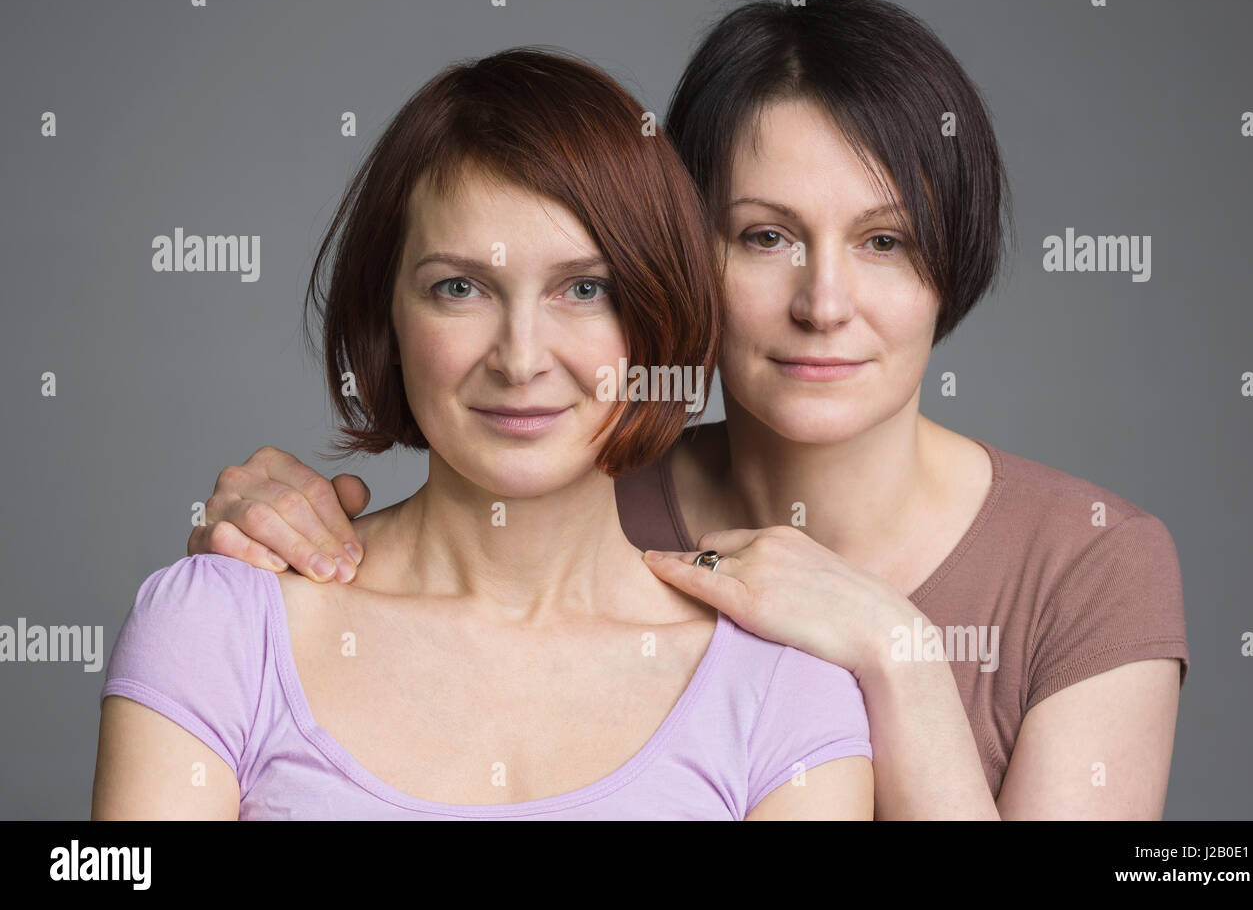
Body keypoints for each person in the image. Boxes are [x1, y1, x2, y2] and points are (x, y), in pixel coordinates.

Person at [186, 0, 1189, 819]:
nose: (823, 302)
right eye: (763, 236)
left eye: (884, 241)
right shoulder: (570, 479)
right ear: (670, 254)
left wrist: (902, 656)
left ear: (947, 263)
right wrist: (259, 545)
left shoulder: (1092, 561)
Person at [91, 47, 874, 820]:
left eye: (585, 289)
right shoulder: (218, 627)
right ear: (385, 316)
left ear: (658, 316)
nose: (521, 358)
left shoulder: (785, 688)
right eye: (459, 288)